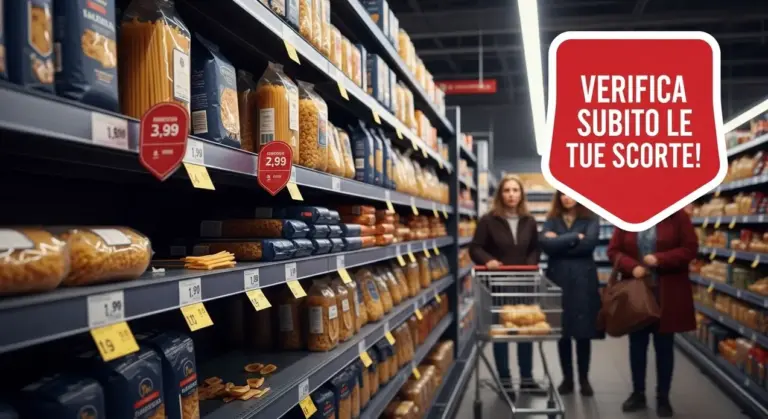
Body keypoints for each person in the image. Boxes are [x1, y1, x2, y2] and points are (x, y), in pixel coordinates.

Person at [606, 210, 698, 417]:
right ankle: (638, 393)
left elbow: (690, 249)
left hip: (667, 295)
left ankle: (663, 397)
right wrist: (632, 266)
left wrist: (660, 259)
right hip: (637, 294)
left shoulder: (678, 217)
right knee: (637, 346)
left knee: (664, 347)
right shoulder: (627, 217)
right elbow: (613, 251)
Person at [470, 174, 542, 399]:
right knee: (502, 332)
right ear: (500, 194)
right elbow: (475, 248)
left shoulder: (529, 221)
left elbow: (535, 248)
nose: (511, 194)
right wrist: (487, 261)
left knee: (525, 331)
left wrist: (530, 263)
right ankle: (505, 382)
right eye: (507, 190)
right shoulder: (488, 220)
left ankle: (528, 380)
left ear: (521, 194)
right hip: (498, 284)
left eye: (515, 190)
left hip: (523, 283)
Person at [538, 192, 601, 397]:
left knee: (583, 333)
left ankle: (584, 379)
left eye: (571, 194)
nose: (567, 198)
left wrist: (560, 243)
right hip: (558, 281)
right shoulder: (552, 220)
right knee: (562, 332)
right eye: (563, 194)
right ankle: (567, 380)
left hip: (583, 281)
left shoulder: (590, 218)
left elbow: (589, 245)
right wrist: (574, 237)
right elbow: (546, 246)